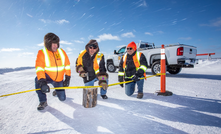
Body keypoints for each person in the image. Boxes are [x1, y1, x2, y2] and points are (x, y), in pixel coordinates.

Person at [35, 33, 71, 110]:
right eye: (54, 44)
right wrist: (43, 82)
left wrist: (67, 78)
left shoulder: (61, 52)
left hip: (58, 79)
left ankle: (56, 91)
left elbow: (67, 65)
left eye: (57, 44)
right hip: (47, 77)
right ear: (48, 44)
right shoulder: (42, 52)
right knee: (37, 80)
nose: (56, 46)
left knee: (62, 99)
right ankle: (43, 101)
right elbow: (39, 68)